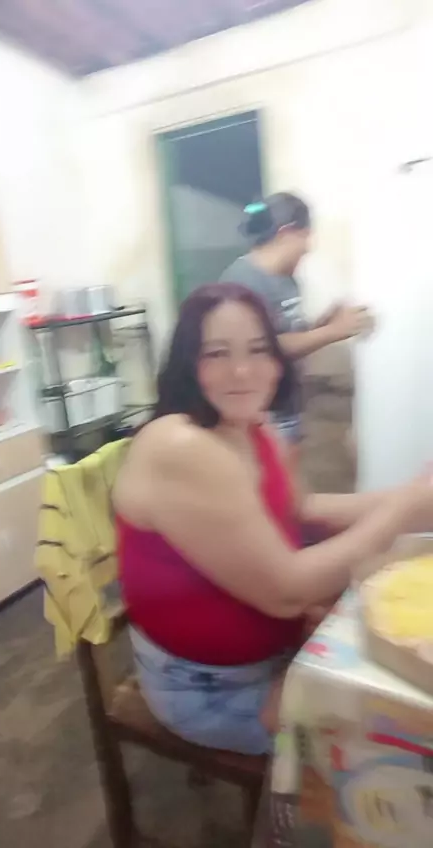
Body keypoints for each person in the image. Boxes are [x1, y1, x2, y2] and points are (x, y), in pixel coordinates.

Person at [113, 283, 433, 755]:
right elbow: (287, 593)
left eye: (259, 349)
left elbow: (303, 510)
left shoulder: (251, 425)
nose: (243, 371)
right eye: (216, 353)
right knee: (395, 739)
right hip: (211, 690)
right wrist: (403, 509)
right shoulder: (181, 447)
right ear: (187, 363)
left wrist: (415, 498)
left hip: (276, 650)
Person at [219, 192, 373, 446]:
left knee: (288, 468)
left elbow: (290, 336)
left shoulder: (287, 279)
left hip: (287, 402)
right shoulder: (243, 282)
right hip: (260, 412)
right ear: (287, 233)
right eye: (306, 237)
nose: (308, 248)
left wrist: (325, 322)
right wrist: (333, 331)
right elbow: (266, 347)